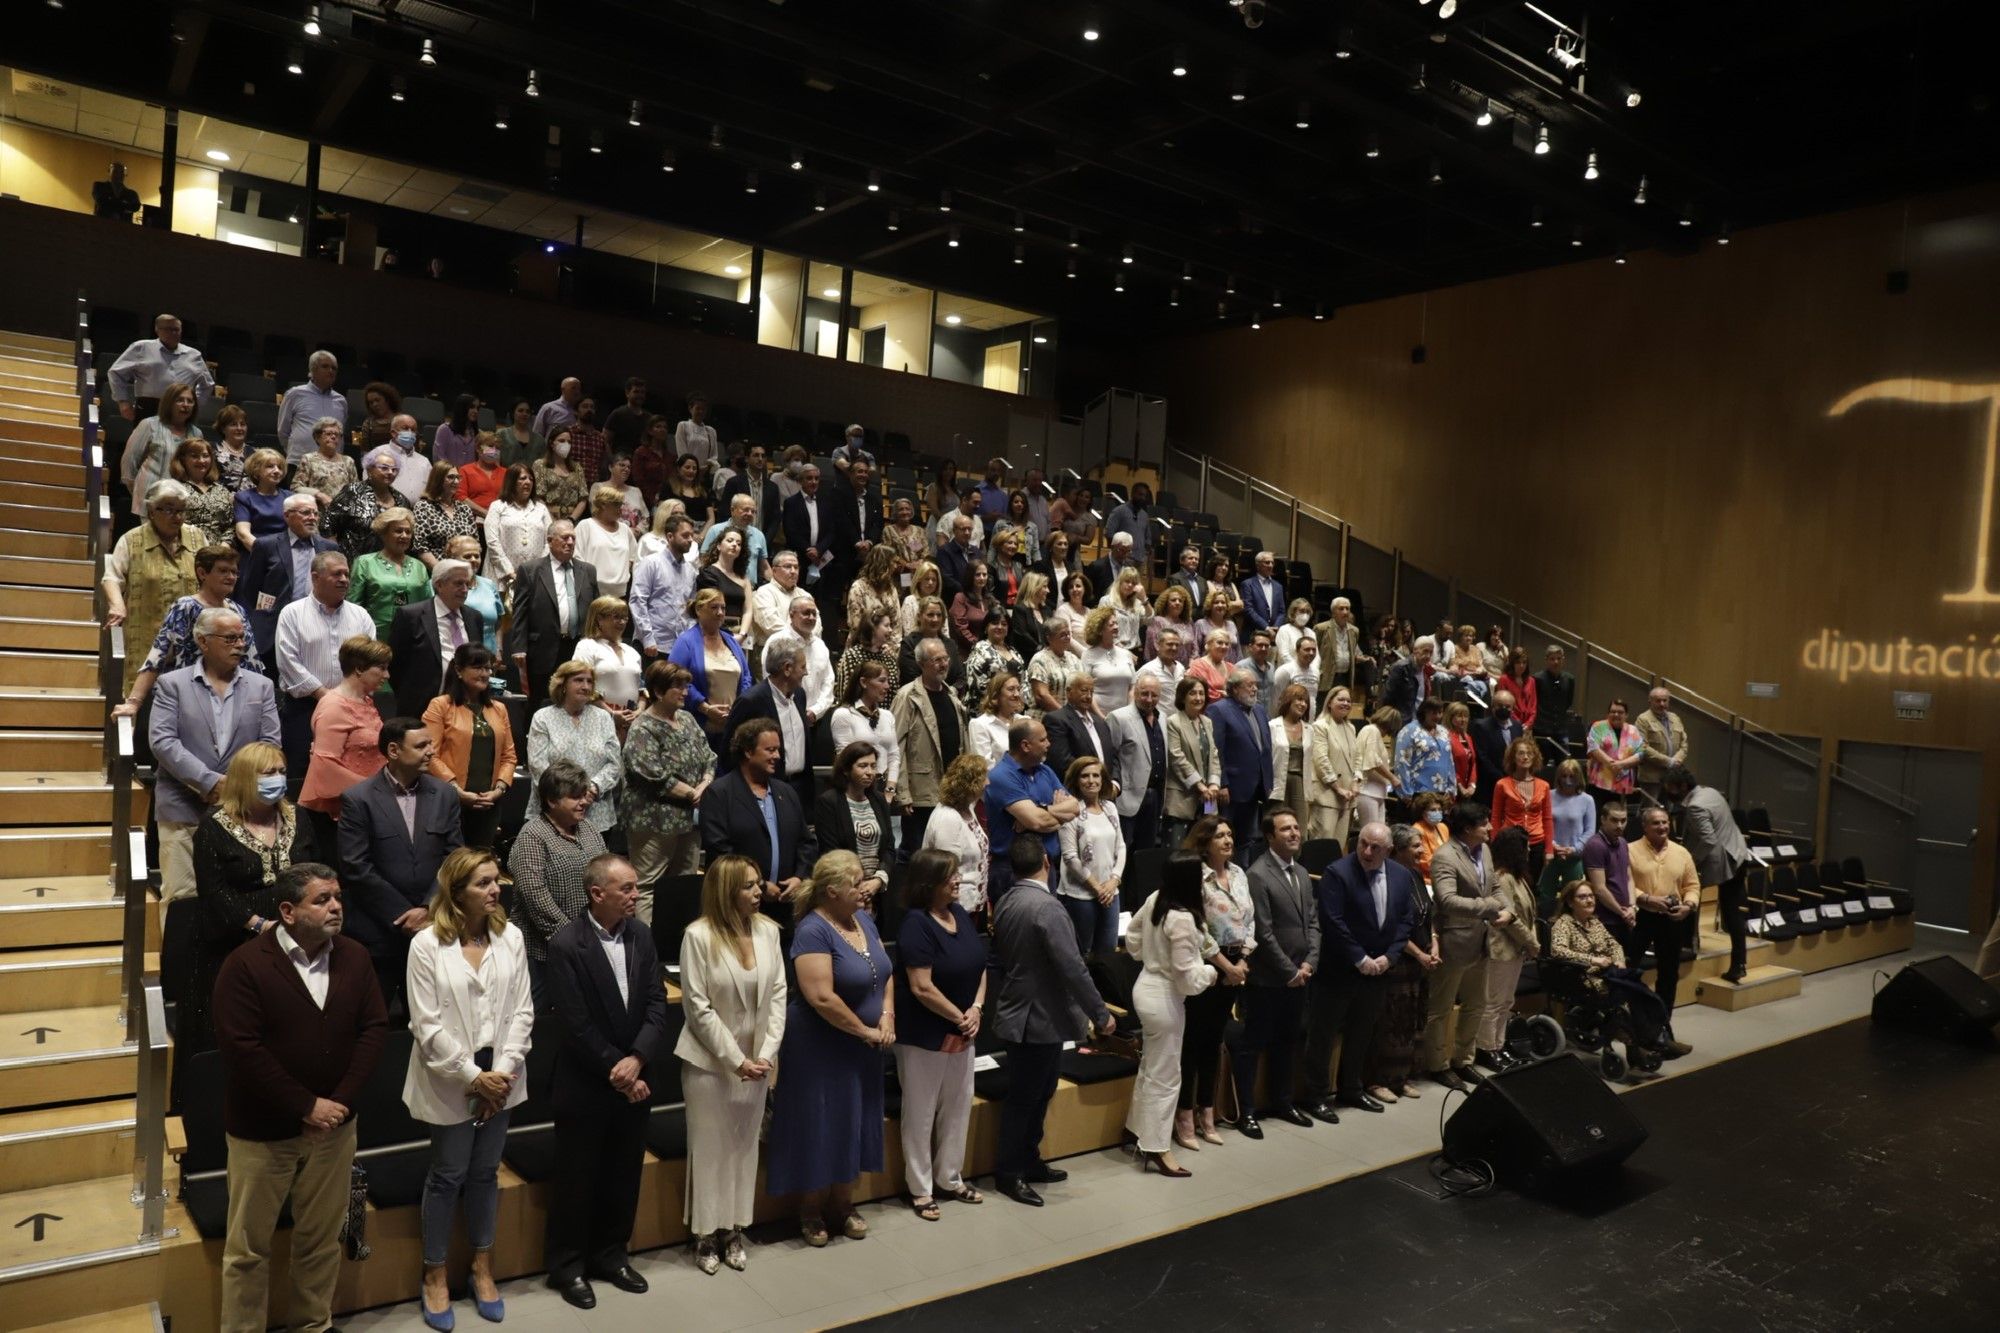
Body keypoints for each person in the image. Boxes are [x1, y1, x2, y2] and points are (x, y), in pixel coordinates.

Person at [212, 863, 386, 1333]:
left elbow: (373, 1030)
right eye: (322, 900)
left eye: (337, 898)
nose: (335, 907)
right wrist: (305, 1106)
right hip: (263, 1132)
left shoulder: (354, 956)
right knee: (248, 1249)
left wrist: (340, 1104)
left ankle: (313, 1324)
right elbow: (242, 1050)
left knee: (321, 1238)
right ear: (287, 911)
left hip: (335, 1129)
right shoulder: (245, 965)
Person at [403, 848, 533, 1328]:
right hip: (449, 1074)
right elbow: (426, 1024)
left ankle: (482, 1266)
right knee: (448, 1173)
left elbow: (522, 1010)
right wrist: (472, 1076)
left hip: (502, 1073)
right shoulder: (425, 945)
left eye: (496, 880)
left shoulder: (511, 936)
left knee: (485, 1173)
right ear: (456, 892)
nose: (495, 889)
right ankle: (434, 1273)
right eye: (483, 883)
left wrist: (499, 1073)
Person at [542, 855, 669, 1310]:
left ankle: (611, 1256)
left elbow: (657, 1002)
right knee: (577, 1180)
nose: (637, 896)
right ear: (598, 894)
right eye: (628, 889)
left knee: (623, 1173)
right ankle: (569, 1266)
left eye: (636, 888)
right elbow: (574, 1024)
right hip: (586, 1081)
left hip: (634, 1076)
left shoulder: (641, 935)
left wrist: (637, 1059)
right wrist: (618, 1068)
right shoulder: (565, 944)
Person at [765, 850, 893, 1245]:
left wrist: (887, 1016)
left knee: (854, 1119)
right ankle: (810, 1209)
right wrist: (864, 1031)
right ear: (832, 890)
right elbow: (821, 997)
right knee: (819, 1123)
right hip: (820, 1046)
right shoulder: (812, 930)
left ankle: (843, 1202)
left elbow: (885, 973)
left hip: (863, 1046)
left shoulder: (865, 920)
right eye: (855, 882)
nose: (864, 887)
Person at [182, 743, 319, 1088]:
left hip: (294, 933)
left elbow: (313, 871)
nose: (278, 780)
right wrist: (259, 925)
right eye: (268, 773)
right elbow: (214, 891)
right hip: (234, 936)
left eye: (282, 772)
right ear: (245, 779)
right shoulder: (214, 825)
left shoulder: (297, 816)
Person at [989, 837, 1114, 1206]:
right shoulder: (1048, 907)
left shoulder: (1008, 900)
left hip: (1024, 1011)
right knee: (1025, 1099)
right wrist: (1101, 1013)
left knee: (1039, 1094)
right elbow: (1073, 968)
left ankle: (1029, 1160)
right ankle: (1009, 1173)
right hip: (1037, 1017)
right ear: (1047, 861)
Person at [676, 855, 786, 1274]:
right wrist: (736, 1059)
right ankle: (705, 1234)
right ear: (726, 891)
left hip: (757, 1062)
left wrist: (765, 1054)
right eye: (749, 886)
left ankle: (735, 1228)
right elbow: (697, 1008)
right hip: (711, 1062)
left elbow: (778, 997)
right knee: (710, 1150)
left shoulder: (769, 932)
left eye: (759, 883)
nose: (759, 891)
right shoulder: (698, 936)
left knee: (743, 1148)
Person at [151, 608, 281, 906]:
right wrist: (210, 782)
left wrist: (235, 787)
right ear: (203, 641)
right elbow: (163, 742)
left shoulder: (262, 686)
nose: (240, 644)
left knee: (236, 897)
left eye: (242, 637)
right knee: (183, 898)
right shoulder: (172, 684)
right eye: (230, 638)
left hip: (241, 808)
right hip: (182, 806)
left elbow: (270, 745)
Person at [338, 719, 465, 1008]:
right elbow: (355, 865)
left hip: (433, 928)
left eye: (430, 744)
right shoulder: (359, 799)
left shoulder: (444, 794)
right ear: (393, 750)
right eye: (421, 746)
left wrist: (426, 908)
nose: (431, 752)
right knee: (374, 1023)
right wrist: (403, 914)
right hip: (378, 932)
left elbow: (454, 856)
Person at [1298, 817, 1418, 1119]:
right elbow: (1333, 922)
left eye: (1375, 848)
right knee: (1323, 1035)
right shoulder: (1337, 873)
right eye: (1363, 844)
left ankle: (1351, 1088)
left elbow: (1405, 920)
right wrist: (1360, 958)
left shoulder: (1402, 876)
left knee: (1362, 1032)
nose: (1366, 851)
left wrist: (1389, 958)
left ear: (1388, 851)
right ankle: (1316, 1095)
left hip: (1378, 970)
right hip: (1339, 970)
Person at [894, 848, 988, 1218]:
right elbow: (921, 986)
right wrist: (958, 1017)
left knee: (959, 1104)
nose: (957, 880)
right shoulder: (916, 923)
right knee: (920, 1112)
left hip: (965, 1027)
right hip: (924, 1033)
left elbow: (981, 964)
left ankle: (950, 1177)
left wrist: (977, 1009)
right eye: (949, 875)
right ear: (928, 882)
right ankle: (920, 1188)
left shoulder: (960, 915)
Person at [1123, 850, 1215, 1179]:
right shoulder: (1183, 919)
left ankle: (1136, 1131)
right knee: (1166, 1076)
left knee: (1151, 1066)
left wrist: (1147, 956)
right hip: (1164, 997)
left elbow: (1132, 936)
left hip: (1145, 985)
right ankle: (1158, 1148)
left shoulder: (1155, 898)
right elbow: (1188, 979)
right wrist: (1210, 973)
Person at [115, 542, 261, 722]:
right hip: (191, 703)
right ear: (202, 573)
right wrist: (133, 703)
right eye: (223, 571)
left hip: (233, 702)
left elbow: (251, 662)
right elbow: (157, 656)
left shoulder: (238, 610)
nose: (230, 577)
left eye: (234, 572)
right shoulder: (185, 607)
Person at [1423, 802, 1511, 1091]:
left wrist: (1507, 910)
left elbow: (1495, 886)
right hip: (1455, 941)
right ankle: (1438, 1065)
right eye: (1484, 824)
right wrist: (1488, 908)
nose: (1490, 827)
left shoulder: (1484, 849)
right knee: (1441, 1008)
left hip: (1483, 941)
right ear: (1467, 829)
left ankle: (1464, 1060)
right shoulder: (1445, 857)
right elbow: (1446, 900)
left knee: (1476, 1005)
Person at [1177, 816, 1252, 1146]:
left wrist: (1244, 960)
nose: (1227, 840)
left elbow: (1250, 921)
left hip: (1236, 963)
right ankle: (1183, 1114)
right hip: (1207, 964)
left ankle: (1207, 1111)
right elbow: (1198, 930)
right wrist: (1226, 966)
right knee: (1192, 1044)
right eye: (1220, 835)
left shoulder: (1238, 874)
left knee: (1214, 1043)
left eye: (1230, 833)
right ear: (1205, 841)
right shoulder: (1197, 878)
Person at [700, 720, 817, 926]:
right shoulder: (719, 794)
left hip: (784, 906)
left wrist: (800, 877)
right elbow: (720, 850)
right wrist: (760, 885)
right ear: (748, 752)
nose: (777, 756)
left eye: (778, 750)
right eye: (770, 750)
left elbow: (805, 842)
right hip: (736, 908)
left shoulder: (786, 792)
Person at [507, 759, 611, 992]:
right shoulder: (533, 836)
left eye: (584, 795)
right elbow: (533, 893)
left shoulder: (590, 830)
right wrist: (573, 937)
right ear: (552, 800)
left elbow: (606, 876)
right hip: (542, 952)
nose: (584, 802)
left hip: (588, 944)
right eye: (575, 797)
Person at [1547, 879, 1673, 1066]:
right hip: (1583, 977)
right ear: (1570, 902)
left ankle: (1658, 1039)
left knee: (1644, 993)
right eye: (1582, 897)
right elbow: (1558, 951)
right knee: (1630, 995)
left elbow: (1613, 944)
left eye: (1591, 896)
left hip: (1608, 972)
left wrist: (1619, 960)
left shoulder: (1594, 922)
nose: (1589, 900)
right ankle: (1642, 1044)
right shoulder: (1563, 924)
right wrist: (1592, 959)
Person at [620, 660, 714, 888]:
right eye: (678, 687)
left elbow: (709, 757)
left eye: (686, 687)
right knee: (648, 886)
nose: (685, 692)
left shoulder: (687, 719)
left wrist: (705, 785)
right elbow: (651, 774)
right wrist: (693, 794)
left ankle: (677, 926)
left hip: (689, 820)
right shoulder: (643, 727)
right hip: (653, 821)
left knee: (684, 884)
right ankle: (647, 926)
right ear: (659, 691)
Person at [1364, 824, 1438, 1104]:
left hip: (1421, 960)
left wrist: (1433, 944)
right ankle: (1378, 1080)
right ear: (1398, 850)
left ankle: (1402, 1077)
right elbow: (1393, 926)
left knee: (1411, 1022)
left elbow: (1427, 916)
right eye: (1416, 846)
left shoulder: (1416, 875)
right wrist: (1419, 954)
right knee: (1391, 1023)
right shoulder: (1389, 878)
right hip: (1398, 961)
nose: (1422, 850)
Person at [1662, 763, 1753, 984]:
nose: (1668, 793)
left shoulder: (1695, 807)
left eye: (1671, 788)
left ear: (1682, 786)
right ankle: (1738, 962)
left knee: (1692, 897)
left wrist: (1689, 861)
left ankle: (1688, 945)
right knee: (1732, 912)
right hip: (1738, 853)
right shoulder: (1710, 792)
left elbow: (1709, 839)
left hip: (1722, 861)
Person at [421, 645, 517, 850]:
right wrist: (457, 791)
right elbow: (429, 754)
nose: (486, 674)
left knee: (478, 865)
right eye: (478, 667)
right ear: (458, 670)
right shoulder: (440, 705)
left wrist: (498, 790)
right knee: (451, 867)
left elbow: (509, 756)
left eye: (489, 668)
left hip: (488, 803)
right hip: (448, 801)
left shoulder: (499, 709)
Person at [1627, 805, 1700, 1056]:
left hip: (1672, 919)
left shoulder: (1681, 852)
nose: (1662, 827)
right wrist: (1646, 899)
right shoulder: (1629, 850)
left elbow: (1693, 885)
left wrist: (1688, 906)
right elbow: (1625, 886)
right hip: (1640, 918)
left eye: (1665, 822)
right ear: (1645, 827)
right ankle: (1636, 1034)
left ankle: (1663, 1032)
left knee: (1668, 977)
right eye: (1656, 823)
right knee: (1629, 973)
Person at [509, 522, 602, 710]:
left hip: (578, 646)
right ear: (550, 541)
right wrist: (519, 647)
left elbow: (596, 611)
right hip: (543, 647)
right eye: (564, 537)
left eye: (573, 538)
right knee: (541, 702)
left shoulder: (588, 570)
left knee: (577, 700)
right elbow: (520, 612)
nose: (570, 542)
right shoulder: (530, 570)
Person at [299, 634, 390, 824]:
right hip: (343, 811)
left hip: (369, 803)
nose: (387, 675)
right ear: (359, 669)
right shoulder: (333, 706)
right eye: (381, 668)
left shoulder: (366, 701)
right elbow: (325, 765)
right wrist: (377, 789)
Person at [528, 661, 623, 840]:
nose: (586, 686)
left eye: (589, 681)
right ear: (562, 684)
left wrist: (592, 789)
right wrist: (569, 797)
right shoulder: (543, 717)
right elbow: (537, 765)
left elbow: (614, 763)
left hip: (596, 812)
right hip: (555, 812)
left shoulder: (603, 717)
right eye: (579, 680)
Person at [236, 492, 338, 656]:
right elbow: (251, 588)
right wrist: (269, 611)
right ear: (287, 516)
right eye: (305, 512)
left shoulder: (329, 548)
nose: (312, 517)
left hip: (317, 626)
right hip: (274, 627)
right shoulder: (265, 545)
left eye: (315, 513)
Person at [386, 557, 484, 718]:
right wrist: (410, 696)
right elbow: (394, 664)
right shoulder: (411, 616)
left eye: (467, 584)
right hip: (420, 708)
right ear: (439, 584)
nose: (465, 589)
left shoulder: (475, 617)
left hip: (465, 708)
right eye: (458, 583)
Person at [726, 637, 815, 810]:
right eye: (803, 667)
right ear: (787, 669)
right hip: (764, 792)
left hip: (799, 791)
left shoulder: (800, 696)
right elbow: (730, 752)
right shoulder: (751, 701)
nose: (806, 672)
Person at [1056, 755, 1125, 963]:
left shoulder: (1110, 808)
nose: (1091, 780)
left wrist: (1114, 880)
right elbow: (1069, 857)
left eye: (1096, 775)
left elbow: (1120, 846)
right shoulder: (1070, 811)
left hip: (1110, 891)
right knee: (1082, 954)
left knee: (1107, 953)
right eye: (1085, 776)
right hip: (1080, 894)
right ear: (1076, 780)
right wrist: (1096, 886)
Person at [1211, 668, 1274, 865]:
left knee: (1246, 839)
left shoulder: (1260, 710)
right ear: (1235, 688)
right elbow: (1216, 750)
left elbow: (1265, 748)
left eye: (1256, 684)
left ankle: (1242, 877)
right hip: (1229, 789)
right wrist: (1222, 783)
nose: (1255, 689)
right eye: (1250, 685)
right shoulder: (1219, 709)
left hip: (1254, 788)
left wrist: (1267, 780)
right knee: (1221, 836)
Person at [922, 754, 992, 919]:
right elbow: (946, 871)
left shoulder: (967, 808)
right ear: (970, 784)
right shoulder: (948, 818)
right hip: (954, 908)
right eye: (983, 779)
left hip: (969, 906)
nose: (988, 783)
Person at [120, 381, 203, 519]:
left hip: (180, 503)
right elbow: (129, 462)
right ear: (169, 403)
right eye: (180, 400)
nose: (185, 405)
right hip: (151, 499)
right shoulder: (149, 425)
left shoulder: (196, 434)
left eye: (190, 401)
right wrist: (138, 491)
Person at [107, 311, 210, 419]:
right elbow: (116, 372)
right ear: (157, 330)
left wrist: (195, 404)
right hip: (148, 405)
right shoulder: (142, 347)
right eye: (168, 329)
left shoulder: (193, 354)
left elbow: (207, 384)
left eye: (176, 329)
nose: (173, 333)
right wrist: (122, 401)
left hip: (181, 408)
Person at [1109, 671, 1167, 852]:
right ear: (1134, 692)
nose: (1149, 699)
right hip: (1127, 797)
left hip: (1155, 795)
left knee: (1146, 853)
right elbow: (1111, 757)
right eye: (1144, 693)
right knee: (1122, 851)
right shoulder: (1118, 717)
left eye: (1154, 695)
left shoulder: (1163, 717)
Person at [1162, 676, 1222, 850]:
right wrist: (1200, 786)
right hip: (1182, 795)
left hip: (1208, 797)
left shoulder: (1207, 722)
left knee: (1205, 848)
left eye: (1201, 693)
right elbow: (1176, 757)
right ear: (1182, 697)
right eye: (1192, 693)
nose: (1198, 698)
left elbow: (1214, 755)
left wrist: (1214, 785)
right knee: (1178, 850)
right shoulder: (1173, 722)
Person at [830, 658, 900, 804]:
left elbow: (894, 756)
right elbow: (845, 759)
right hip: (857, 789)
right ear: (863, 682)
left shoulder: (887, 716)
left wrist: (890, 790)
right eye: (881, 681)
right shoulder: (844, 715)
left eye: (887, 681)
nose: (887, 686)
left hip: (885, 788)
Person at [1045, 670, 1124, 797]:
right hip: (1077, 795)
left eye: (1091, 692)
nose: (1088, 696)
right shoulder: (1057, 720)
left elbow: (1113, 757)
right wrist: (1094, 781)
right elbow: (1061, 760)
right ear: (1069, 692)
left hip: (1106, 796)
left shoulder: (1101, 723)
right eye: (1083, 690)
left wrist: (1115, 783)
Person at [631, 514, 700, 658]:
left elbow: (691, 608)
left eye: (692, 536)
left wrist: (689, 638)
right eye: (685, 535)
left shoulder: (690, 571)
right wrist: (647, 638)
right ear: (670, 536)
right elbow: (638, 601)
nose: (690, 540)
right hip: (653, 644)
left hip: (680, 646)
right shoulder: (651, 563)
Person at [572, 597, 644, 729]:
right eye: (616, 617)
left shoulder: (632, 651)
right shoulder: (586, 646)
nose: (622, 622)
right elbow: (580, 685)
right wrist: (611, 714)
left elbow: (642, 690)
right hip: (595, 721)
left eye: (625, 618)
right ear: (599, 619)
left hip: (630, 722)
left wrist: (639, 712)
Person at [764, 590, 836, 722]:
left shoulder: (820, 645)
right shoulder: (776, 641)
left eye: (814, 614)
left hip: (817, 718)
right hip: (783, 717)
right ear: (792, 615)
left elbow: (828, 681)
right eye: (806, 613)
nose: (811, 617)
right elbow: (768, 681)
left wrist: (815, 711)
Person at [1491, 736, 1555, 882]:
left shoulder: (1544, 785)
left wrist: (1549, 849)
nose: (1525, 757)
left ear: (1535, 757)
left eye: (1529, 753)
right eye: (1521, 753)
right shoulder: (1502, 784)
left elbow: (1547, 819)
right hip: (1510, 843)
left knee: (1531, 886)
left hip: (1537, 843)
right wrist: (1494, 846)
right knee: (1511, 885)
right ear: (1513, 757)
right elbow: (1495, 817)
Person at [1539, 758, 1598, 914]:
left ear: (1578, 778)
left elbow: (1589, 831)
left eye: (1572, 776)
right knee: (1545, 897)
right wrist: (1552, 846)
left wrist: (1573, 849)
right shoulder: (1548, 795)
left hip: (1574, 857)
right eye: (1564, 776)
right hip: (1551, 854)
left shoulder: (1587, 800)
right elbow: (1541, 823)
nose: (1567, 780)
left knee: (1574, 898)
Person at [482, 465, 552, 598]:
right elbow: (492, 542)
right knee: (505, 618)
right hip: (501, 577)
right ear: (511, 481)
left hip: (534, 577)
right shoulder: (498, 506)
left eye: (531, 479)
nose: (528, 482)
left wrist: (538, 570)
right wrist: (510, 572)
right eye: (522, 478)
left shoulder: (541, 509)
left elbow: (551, 540)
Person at [324, 447, 403, 559]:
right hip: (352, 563)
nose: (390, 472)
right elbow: (327, 525)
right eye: (384, 468)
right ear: (369, 470)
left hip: (389, 565)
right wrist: (335, 557)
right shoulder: (353, 491)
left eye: (394, 469)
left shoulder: (401, 499)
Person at [1306, 686, 1361, 844]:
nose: (1345, 703)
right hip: (1327, 794)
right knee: (1323, 843)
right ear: (1329, 702)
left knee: (1340, 843)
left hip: (1347, 796)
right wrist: (1338, 788)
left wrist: (1356, 782)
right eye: (1341, 699)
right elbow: (1321, 760)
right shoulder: (1320, 726)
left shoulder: (1350, 727)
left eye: (1348, 700)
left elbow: (1357, 757)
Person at [1582, 799, 1638, 949]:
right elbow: (1599, 888)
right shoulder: (1596, 845)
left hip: (1624, 916)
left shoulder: (1623, 843)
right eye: (1614, 820)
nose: (1619, 825)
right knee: (1609, 968)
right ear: (1603, 820)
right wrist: (1622, 912)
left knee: (1626, 964)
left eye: (1623, 821)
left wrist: (1632, 907)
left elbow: (1629, 878)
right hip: (1605, 919)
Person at [276, 350, 347, 462]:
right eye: (325, 366)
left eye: (334, 368)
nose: (330, 371)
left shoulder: (341, 400)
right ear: (313, 369)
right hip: (299, 463)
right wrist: (296, 452)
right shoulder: (295, 394)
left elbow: (340, 433)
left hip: (332, 466)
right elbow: (283, 432)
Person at [1268, 681, 1319, 825]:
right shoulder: (1272, 726)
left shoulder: (1310, 729)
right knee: (1277, 826)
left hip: (1300, 783)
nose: (1303, 704)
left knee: (1300, 829)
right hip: (1278, 783)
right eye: (1299, 699)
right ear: (1288, 700)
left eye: (1306, 701)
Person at [1394, 697, 1458, 810]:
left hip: (1441, 792)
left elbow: (1449, 761)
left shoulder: (1443, 731)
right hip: (1416, 792)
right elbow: (1402, 762)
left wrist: (1451, 788)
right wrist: (1406, 792)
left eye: (1440, 712)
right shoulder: (1409, 730)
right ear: (1424, 712)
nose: (1438, 716)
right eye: (1434, 713)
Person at [413, 465, 479, 570]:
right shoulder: (424, 506)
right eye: (451, 477)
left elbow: (474, 544)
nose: (456, 481)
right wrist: (444, 573)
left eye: (458, 477)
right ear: (438, 479)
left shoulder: (464, 508)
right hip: (437, 572)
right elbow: (421, 547)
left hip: (465, 572)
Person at [964, 602, 1025, 710]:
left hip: (1013, 709)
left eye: (1004, 624)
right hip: (987, 710)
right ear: (986, 627)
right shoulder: (979, 650)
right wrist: (1003, 702)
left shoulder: (1013, 651)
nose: (1000, 627)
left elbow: (1024, 682)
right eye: (995, 623)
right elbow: (977, 686)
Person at [1470, 689, 1525, 807]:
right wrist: (1501, 778)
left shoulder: (1517, 727)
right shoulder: (1481, 726)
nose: (1504, 709)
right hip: (1489, 784)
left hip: (1513, 782)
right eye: (1500, 705)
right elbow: (1482, 757)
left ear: (1513, 708)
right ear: (1493, 706)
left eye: (1508, 706)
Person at [232, 448, 292, 551]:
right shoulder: (244, 497)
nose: (277, 471)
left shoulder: (290, 497)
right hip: (255, 552)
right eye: (270, 466)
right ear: (256, 471)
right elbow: (243, 534)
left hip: (286, 551)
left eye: (280, 467)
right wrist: (264, 555)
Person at [1586, 698, 1645, 800]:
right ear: (1608, 714)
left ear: (1626, 715)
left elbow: (1640, 753)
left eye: (1620, 712)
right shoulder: (1598, 726)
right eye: (1613, 712)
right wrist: (1612, 764)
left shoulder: (1633, 730)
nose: (1616, 714)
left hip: (1623, 783)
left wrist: (1621, 764)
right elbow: (1593, 748)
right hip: (1600, 782)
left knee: (1618, 814)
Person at [1636, 686, 1690, 794]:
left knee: (1669, 808)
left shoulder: (1675, 718)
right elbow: (1643, 746)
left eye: (1665, 700)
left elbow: (1684, 743)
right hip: (1651, 776)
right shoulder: (1643, 719)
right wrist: (1668, 761)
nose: (1662, 704)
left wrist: (1676, 760)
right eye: (1658, 701)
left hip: (1673, 775)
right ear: (1650, 702)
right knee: (1650, 808)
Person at [1381, 635, 1437, 721]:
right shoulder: (1401, 668)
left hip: (1420, 720)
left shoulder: (1427, 671)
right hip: (1402, 720)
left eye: (1431, 652)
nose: (1428, 656)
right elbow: (1387, 697)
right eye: (1425, 651)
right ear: (1415, 650)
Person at [1534, 645, 1580, 742]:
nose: (1556, 662)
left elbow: (1568, 701)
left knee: (1564, 756)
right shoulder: (1537, 679)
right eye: (1552, 659)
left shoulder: (1569, 679)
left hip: (1561, 729)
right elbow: (1534, 703)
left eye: (1559, 658)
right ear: (1546, 660)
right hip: (1541, 729)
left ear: (1563, 659)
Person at [459, 433, 509, 520]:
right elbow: (460, 498)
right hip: (473, 520)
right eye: (490, 446)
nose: (494, 451)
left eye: (497, 448)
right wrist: (486, 513)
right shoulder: (465, 470)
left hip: (502, 520)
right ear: (478, 448)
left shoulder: (506, 473)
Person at [1272, 632, 1321, 718]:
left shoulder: (1316, 672)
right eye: (1307, 649)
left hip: (1308, 722)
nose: (1311, 653)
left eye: (1314, 650)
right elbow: (1276, 700)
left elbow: (1313, 699)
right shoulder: (1284, 671)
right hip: (1287, 721)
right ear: (1297, 651)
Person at [1239, 550, 1287, 633]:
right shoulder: (1247, 584)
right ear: (1258, 565)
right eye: (1267, 562)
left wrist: (1276, 627)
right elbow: (1248, 610)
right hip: (1252, 633)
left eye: (1272, 563)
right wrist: (1266, 628)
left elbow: (1281, 611)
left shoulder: (1278, 586)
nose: (1271, 565)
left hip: (1273, 635)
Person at [1497, 648, 1539, 734]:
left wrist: (1528, 723)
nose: (1521, 665)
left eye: (1524, 662)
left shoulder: (1531, 681)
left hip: (1527, 727)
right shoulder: (1504, 679)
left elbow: (1533, 705)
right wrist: (1517, 723)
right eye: (1518, 662)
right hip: (1509, 724)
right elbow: (1503, 704)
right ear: (1512, 663)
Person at [1102, 481, 1154, 552]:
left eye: (1144, 496)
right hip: (1122, 558)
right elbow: (1109, 533)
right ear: (1132, 494)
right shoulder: (1119, 511)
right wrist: (1117, 552)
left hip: (1140, 559)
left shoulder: (1144, 515)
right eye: (1140, 494)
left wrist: (1146, 551)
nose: (1142, 498)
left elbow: (1148, 538)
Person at [532, 377, 583, 446]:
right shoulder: (549, 408)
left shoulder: (580, 411)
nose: (577, 392)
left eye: (579, 389)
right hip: (550, 452)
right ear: (563, 389)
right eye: (573, 388)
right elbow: (537, 434)